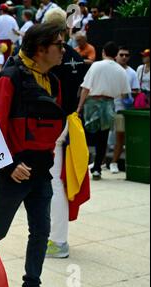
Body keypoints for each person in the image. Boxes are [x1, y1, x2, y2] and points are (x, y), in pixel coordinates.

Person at [0, 23, 66, 287]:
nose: (64, 50)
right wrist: (8, 165)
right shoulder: (8, 79)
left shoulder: (53, 81)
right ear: (41, 47)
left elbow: (53, 126)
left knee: (41, 231)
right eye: (59, 45)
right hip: (12, 173)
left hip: (41, 172)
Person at [42, 8, 87, 259]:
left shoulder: (51, 56)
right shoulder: (76, 56)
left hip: (52, 123)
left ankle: (57, 241)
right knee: (55, 180)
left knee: (53, 181)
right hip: (69, 120)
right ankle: (54, 237)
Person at [76, 41, 131, 180]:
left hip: (92, 102)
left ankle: (82, 165)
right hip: (109, 103)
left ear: (103, 52)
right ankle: (97, 169)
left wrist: (79, 106)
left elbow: (86, 87)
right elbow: (124, 94)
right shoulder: (121, 70)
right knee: (103, 137)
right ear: (115, 54)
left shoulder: (96, 65)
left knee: (86, 136)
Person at [110, 46, 140, 174]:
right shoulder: (109, 70)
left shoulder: (132, 73)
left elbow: (136, 91)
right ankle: (100, 164)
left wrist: (126, 93)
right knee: (104, 136)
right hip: (107, 107)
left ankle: (114, 162)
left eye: (126, 55)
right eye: (121, 54)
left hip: (121, 109)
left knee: (120, 137)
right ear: (116, 56)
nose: (123, 57)